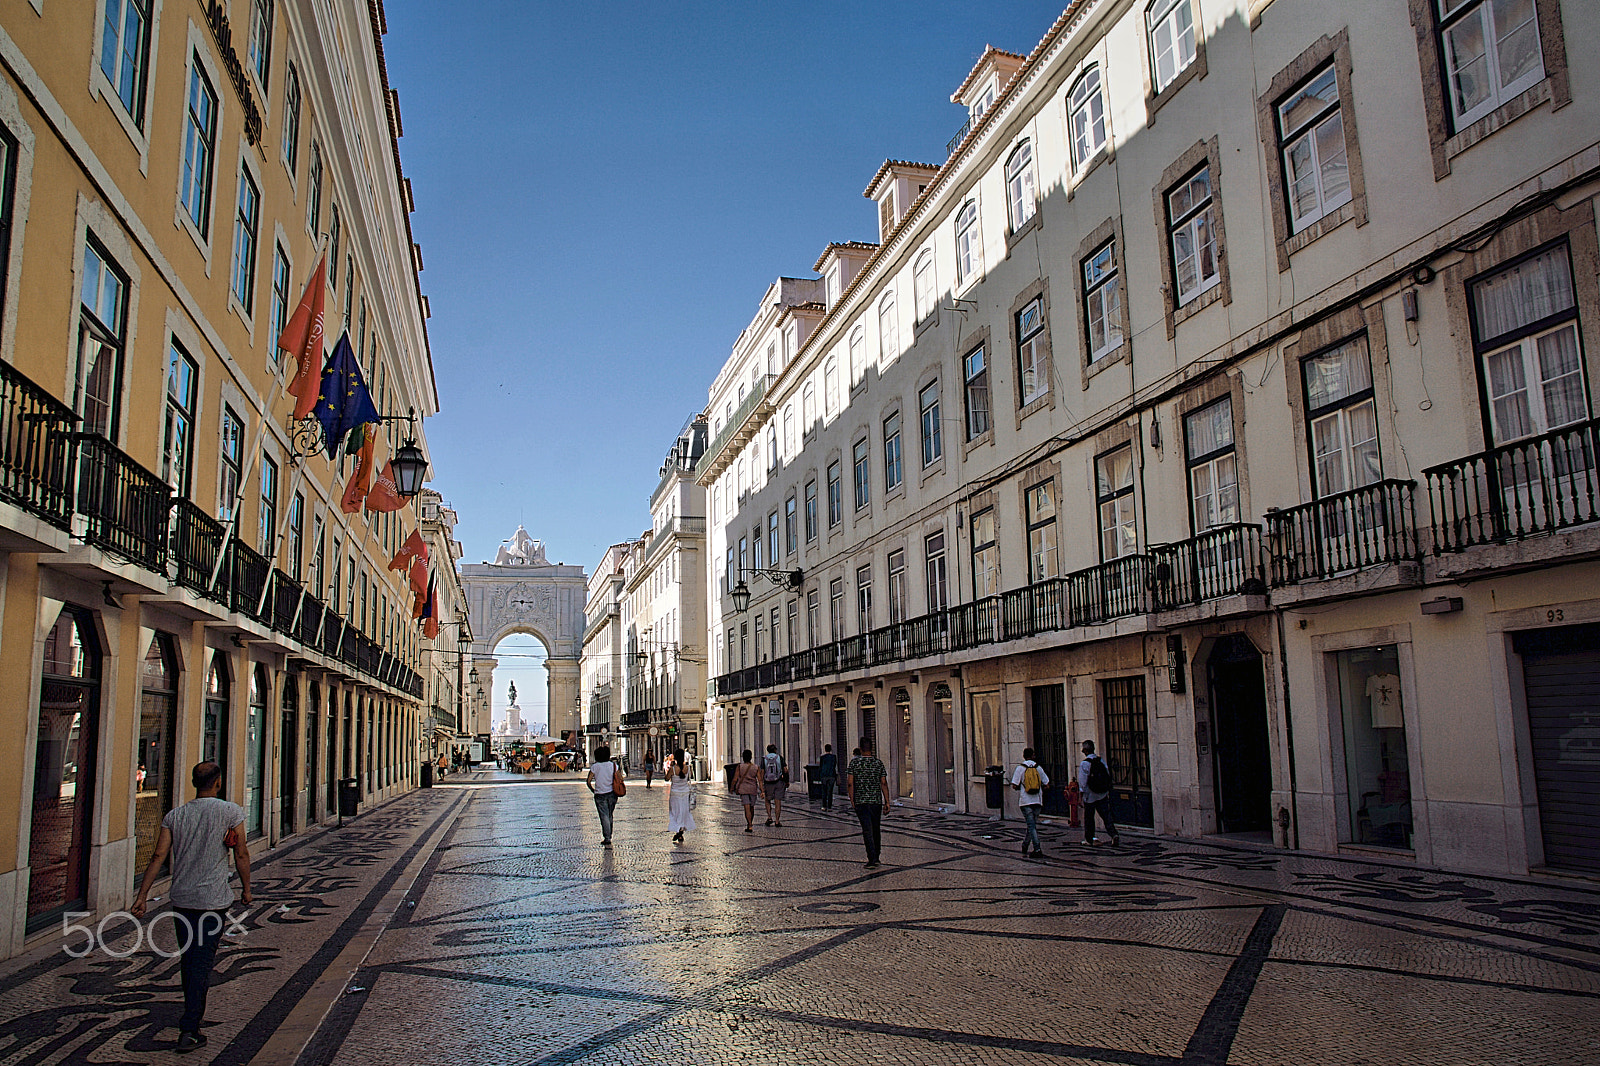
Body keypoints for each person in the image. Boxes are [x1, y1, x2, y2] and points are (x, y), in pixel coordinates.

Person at [130, 762, 251, 1053]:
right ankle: (190, 1029)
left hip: (183, 899)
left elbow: (159, 854)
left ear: (195, 783)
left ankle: (190, 1018)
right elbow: (242, 853)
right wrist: (247, 889)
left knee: (189, 959)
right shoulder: (230, 812)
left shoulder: (176, 815)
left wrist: (142, 896)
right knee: (202, 962)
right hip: (212, 901)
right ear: (218, 783)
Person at [846, 738, 889, 868]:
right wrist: (887, 801)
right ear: (871, 748)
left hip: (861, 801)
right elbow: (883, 782)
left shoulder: (854, 763)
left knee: (867, 829)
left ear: (860, 748)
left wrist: (852, 799)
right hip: (876, 801)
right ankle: (877, 856)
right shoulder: (878, 763)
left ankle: (871, 858)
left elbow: (850, 783)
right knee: (876, 828)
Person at [1078, 740, 1120, 846]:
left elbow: (1082, 783)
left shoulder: (1084, 763)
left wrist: (1080, 796)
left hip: (1090, 795)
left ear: (1085, 750)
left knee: (1089, 818)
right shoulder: (1101, 760)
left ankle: (1089, 839)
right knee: (1106, 816)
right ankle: (1113, 834)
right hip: (1102, 794)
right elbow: (1107, 774)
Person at [1011, 747, 1050, 858]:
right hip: (1037, 800)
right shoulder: (1038, 768)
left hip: (1025, 801)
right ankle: (1025, 845)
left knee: (1031, 826)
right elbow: (1047, 784)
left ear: (1023, 756)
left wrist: (1021, 786)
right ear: (1033, 755)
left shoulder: (1020, 768)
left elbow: (1014, 785)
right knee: (1032, 825)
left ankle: (1037, 848)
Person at [585, 745, 625, 847]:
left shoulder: (595, 767)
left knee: (604, 816)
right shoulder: (613, 765)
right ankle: (609, 834)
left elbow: (588, 781)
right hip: (612, 793)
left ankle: (607, 837)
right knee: (609, 814)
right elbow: (620, 778)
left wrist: (593, 790)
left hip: (599, 794)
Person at [666, 746, 696, 845]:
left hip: (675, 793)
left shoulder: (673, 769)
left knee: (675, 812)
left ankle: (678, 831)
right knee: (684, 812)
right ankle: (680, 831)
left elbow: (666, 778)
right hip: (685, 792)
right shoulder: (687, 768)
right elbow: (688, 778)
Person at [732, 749, 761, 832]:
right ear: (751, 757)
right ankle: (750, 823)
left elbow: (735, 778)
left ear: (743, 757)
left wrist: (732, 787)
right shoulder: (756, 767)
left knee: (746, 807)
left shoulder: (740, 767)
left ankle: (749, 824)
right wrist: (762, 790)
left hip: (743, 789)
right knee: (752, 807)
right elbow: (760, 780)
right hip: (753, 789)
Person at [760, 743, 787, 827]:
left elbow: (762, 772)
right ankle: (777, 821)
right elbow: (785, 770)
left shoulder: (764, 759)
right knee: (777, 801)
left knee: (767, 800)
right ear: (775, 750)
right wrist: (786, 780)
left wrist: (761, 784)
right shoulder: (780, 758)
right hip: (778, 782)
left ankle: (769, 817)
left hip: (768, 783)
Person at [817, 744, 837, 810]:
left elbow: (820, 767)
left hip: (824, 775)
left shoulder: (822, 757)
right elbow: (834, 765)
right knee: (830, 792)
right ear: (830, 749)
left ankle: (824, 806)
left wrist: (819, 775)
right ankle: (829, 806)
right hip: (831, 775)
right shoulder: (834, 757)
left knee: (824, 791)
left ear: (825, 749)